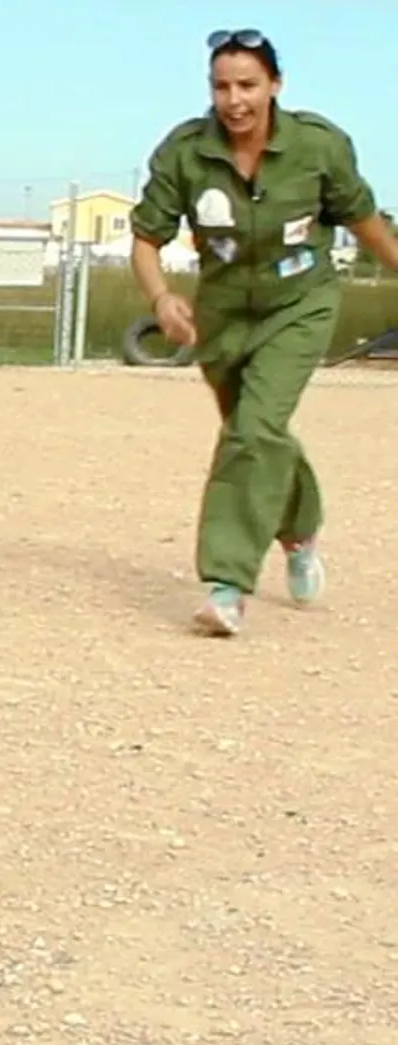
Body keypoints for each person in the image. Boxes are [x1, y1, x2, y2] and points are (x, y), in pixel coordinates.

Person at [128, 28, 398, 636]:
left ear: (276, 85)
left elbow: (365, 220)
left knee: (254, 429)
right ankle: (300, 533)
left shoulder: (319, 147)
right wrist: (162, 296)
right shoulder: (185, 153)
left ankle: (226, 586)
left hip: (300, 302)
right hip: (220, 313)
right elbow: (146, 240)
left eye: (248, 85)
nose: (234, 100)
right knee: (257, 429)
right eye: (221, 86)